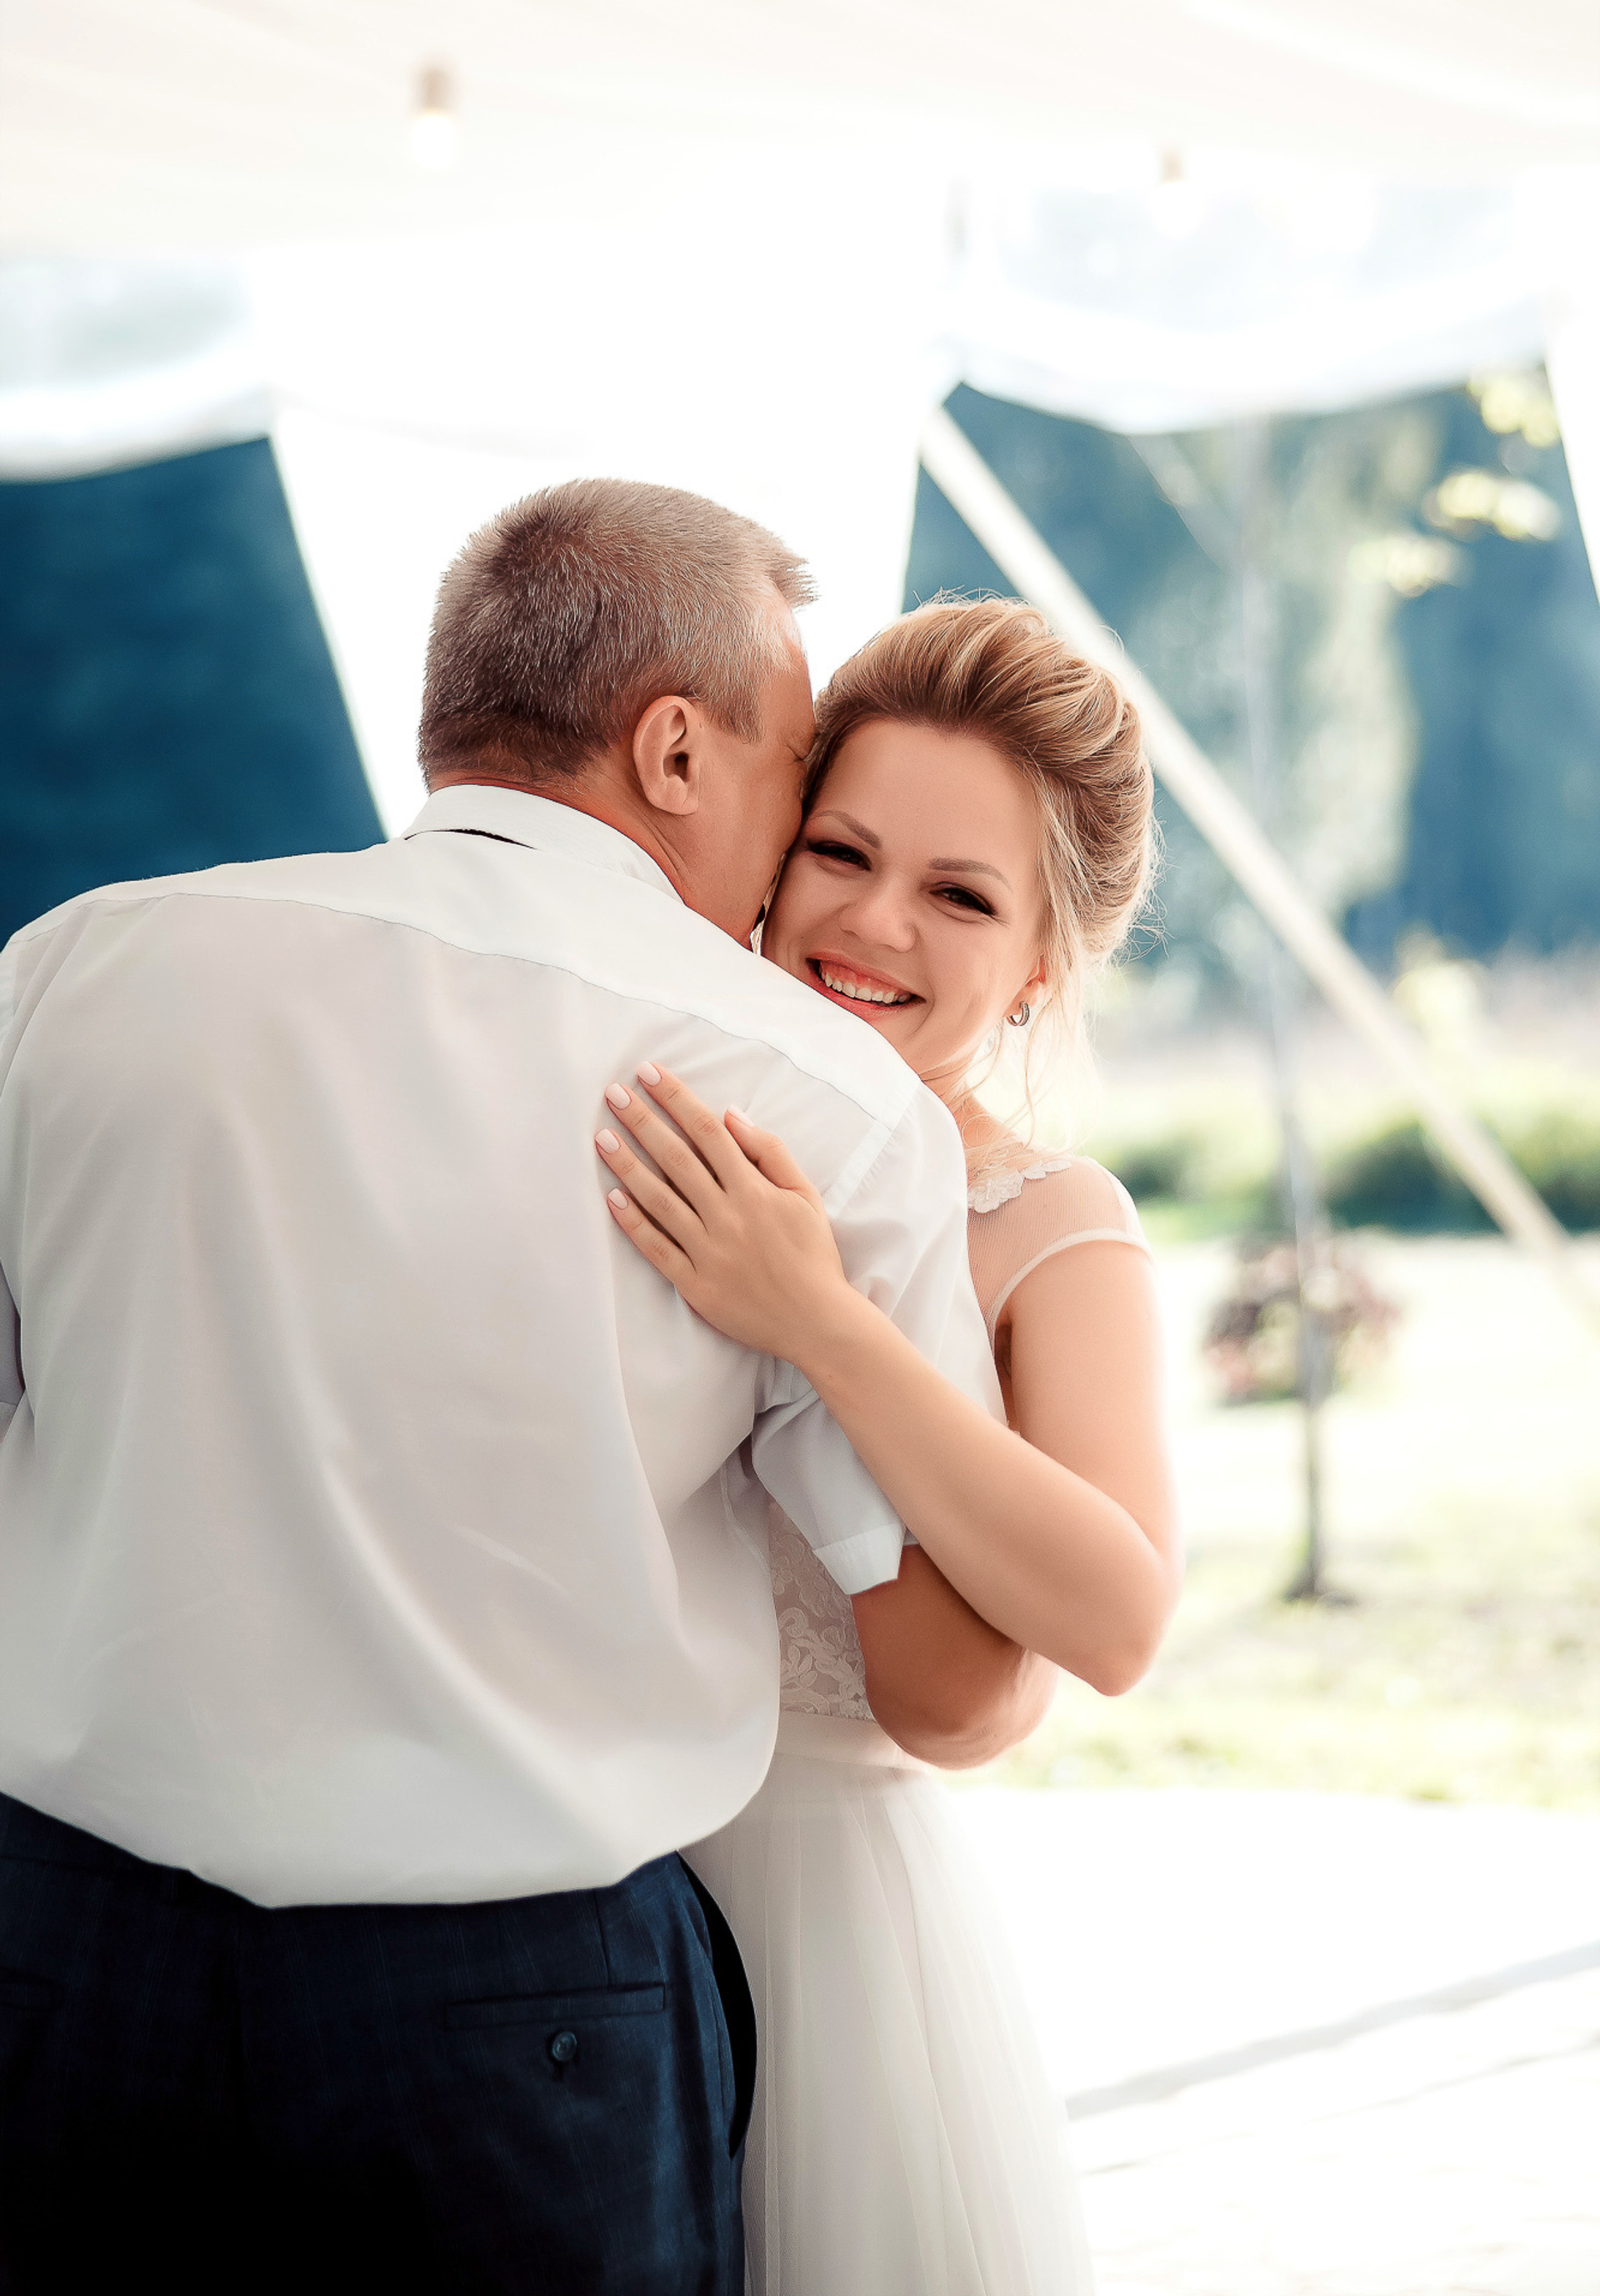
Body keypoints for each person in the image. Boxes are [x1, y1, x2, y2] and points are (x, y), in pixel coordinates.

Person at [0, 488, 1036, 2295]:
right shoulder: (814, 1100)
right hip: (525, 2023)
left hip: (59, 1961)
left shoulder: (75, 968)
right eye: (797, 776)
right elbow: (947, 1670)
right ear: (675, 748)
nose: (797, 849)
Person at [593, 597, 1183, 2295]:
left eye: (960, 894)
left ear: (1042, 964)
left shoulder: (1050, 1226)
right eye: (840, 852)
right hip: (570, 1892)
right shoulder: (644, 1125)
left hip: (836, 1946)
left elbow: (1116, 1619)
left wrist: (828, 1322)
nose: (869, 923)